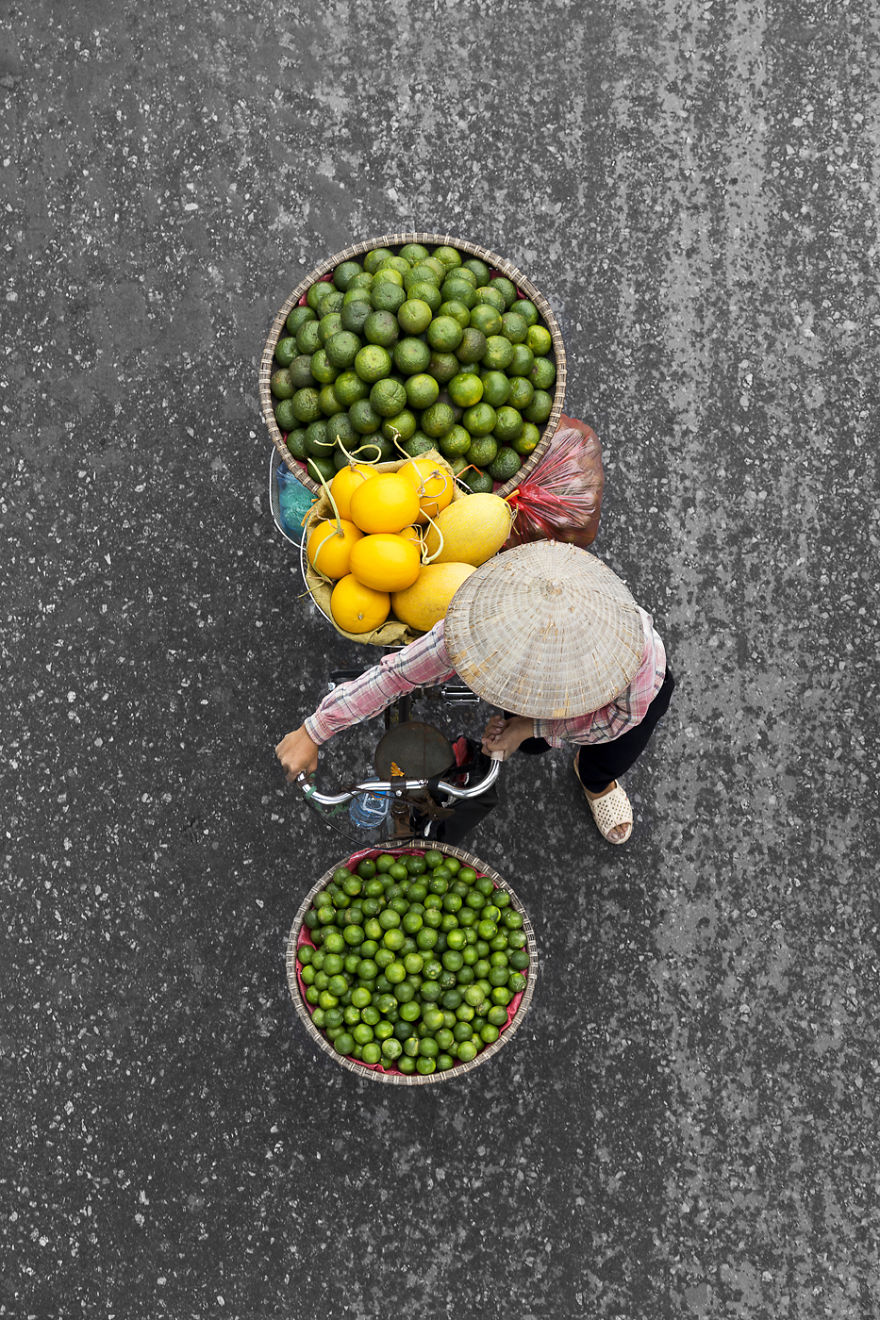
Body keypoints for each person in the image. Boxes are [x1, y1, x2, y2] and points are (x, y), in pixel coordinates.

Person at [275, 542, 674, 845]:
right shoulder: (477, 624)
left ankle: (594, 781)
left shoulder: (634, 660)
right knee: (532, 744)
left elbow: (609, 722)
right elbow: (394, 676)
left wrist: (532, 727)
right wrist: (315, 729)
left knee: (605, 760)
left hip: (622, 712)